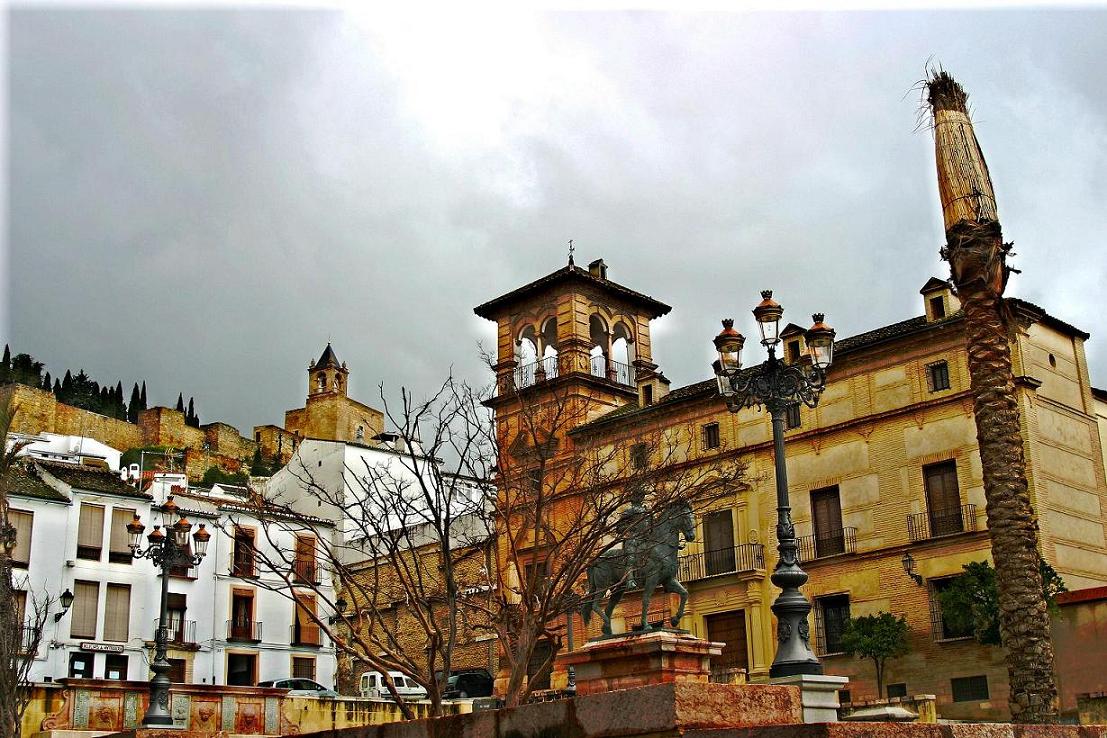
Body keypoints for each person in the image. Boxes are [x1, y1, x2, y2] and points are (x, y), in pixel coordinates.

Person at [617, 486, 650, 590]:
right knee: (631, 557)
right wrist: (631, 528)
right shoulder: (628, 511)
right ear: (633, 497)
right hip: (633, 539)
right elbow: (619, 528)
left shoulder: (646, 511)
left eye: (642, 495)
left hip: (646, 539)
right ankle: (630, 580)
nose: (640, 497)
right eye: (638, 495)